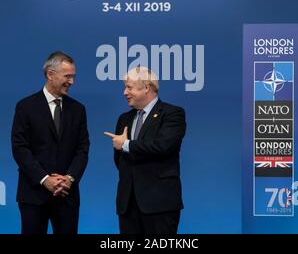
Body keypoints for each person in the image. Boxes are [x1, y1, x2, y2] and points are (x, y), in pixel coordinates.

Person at [11, 51, 89, 234]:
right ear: (50, 74)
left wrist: (69, 179)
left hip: (66, 194)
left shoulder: (78, 110)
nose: (72, 82)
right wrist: (45, 179)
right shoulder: (25, 107)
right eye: (67, 76)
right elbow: (20, 148)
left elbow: (82, 149)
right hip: (33, 194)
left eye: (73, 77)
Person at [104, 66, 186, 234]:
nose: (124, 92)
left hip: (160, 204)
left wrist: (126, 144)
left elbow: (163, 146)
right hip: (128, 204)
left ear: (147, 87)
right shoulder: (124, 118)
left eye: (129, 87)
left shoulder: (172, 114)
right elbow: (119, 160)